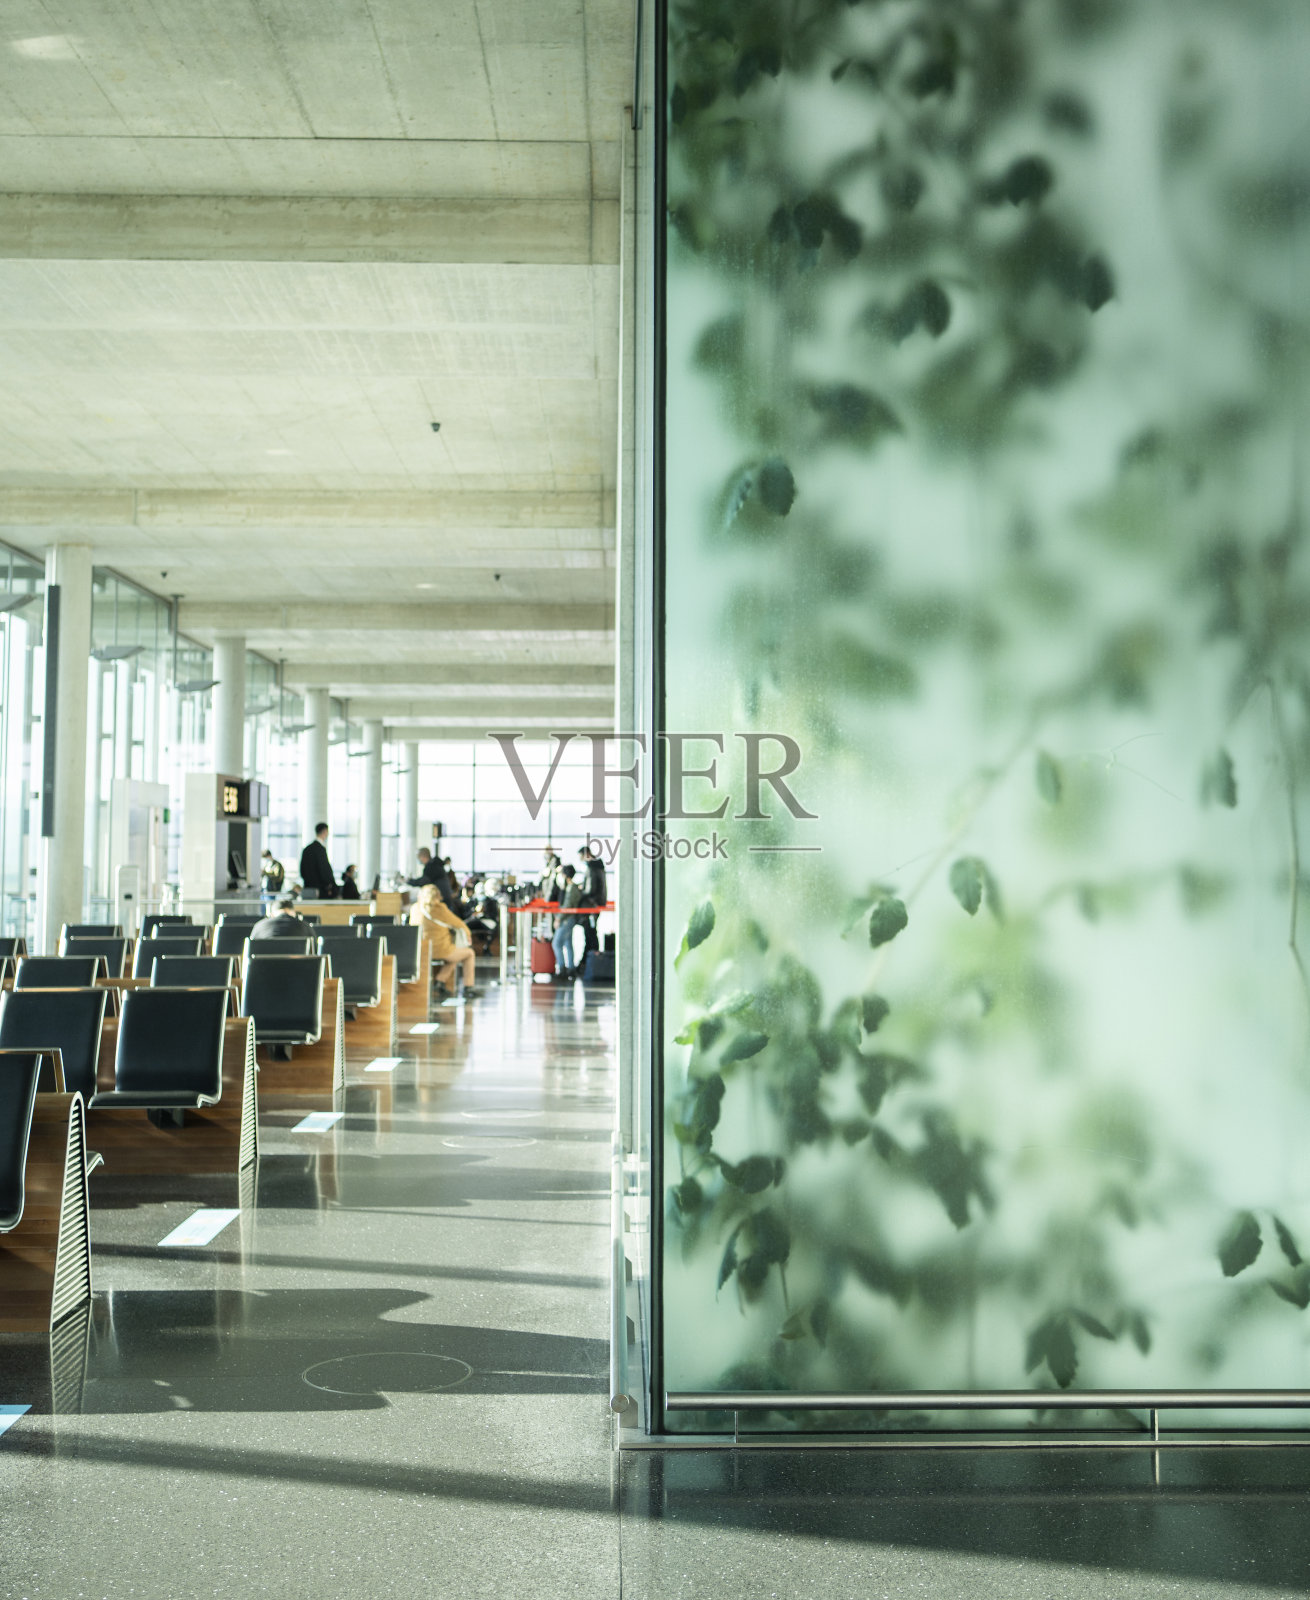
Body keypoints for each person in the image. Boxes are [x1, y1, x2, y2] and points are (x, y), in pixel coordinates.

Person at [409, 883, 481, 998]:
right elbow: (459, 923)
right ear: (437, 896)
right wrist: (468, 935)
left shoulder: (415, 908)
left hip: (421, 949)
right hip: (440, 949)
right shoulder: (439, 908)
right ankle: (468, 987)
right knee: (469, 954)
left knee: (454, 956)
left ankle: (440, 982)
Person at [551, 864, 584, 980]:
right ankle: (570, 968)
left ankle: (562, 968)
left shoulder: (571, 888)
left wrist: (559, 918)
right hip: (569, 918)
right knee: (568, 944)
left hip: (566, 919)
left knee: (556, 943)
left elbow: (567, 905)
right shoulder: (571, 887)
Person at [577, 843, 607, 958]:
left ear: (586, 855)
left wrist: (580, 892)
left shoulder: (591, 868)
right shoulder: (599, 866)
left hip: (590, 905)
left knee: (590, 934)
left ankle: (590, 960)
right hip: (597, 903)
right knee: (592, 932)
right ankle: (592, 959)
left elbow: (590, 889)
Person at [299, 822, 337, 899]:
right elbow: (324, 870)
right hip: (321, 891)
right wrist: (329, 885)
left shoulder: (307, 849)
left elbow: (302, 871)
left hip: (308, 888)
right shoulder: (320, 849)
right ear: (325, 831)